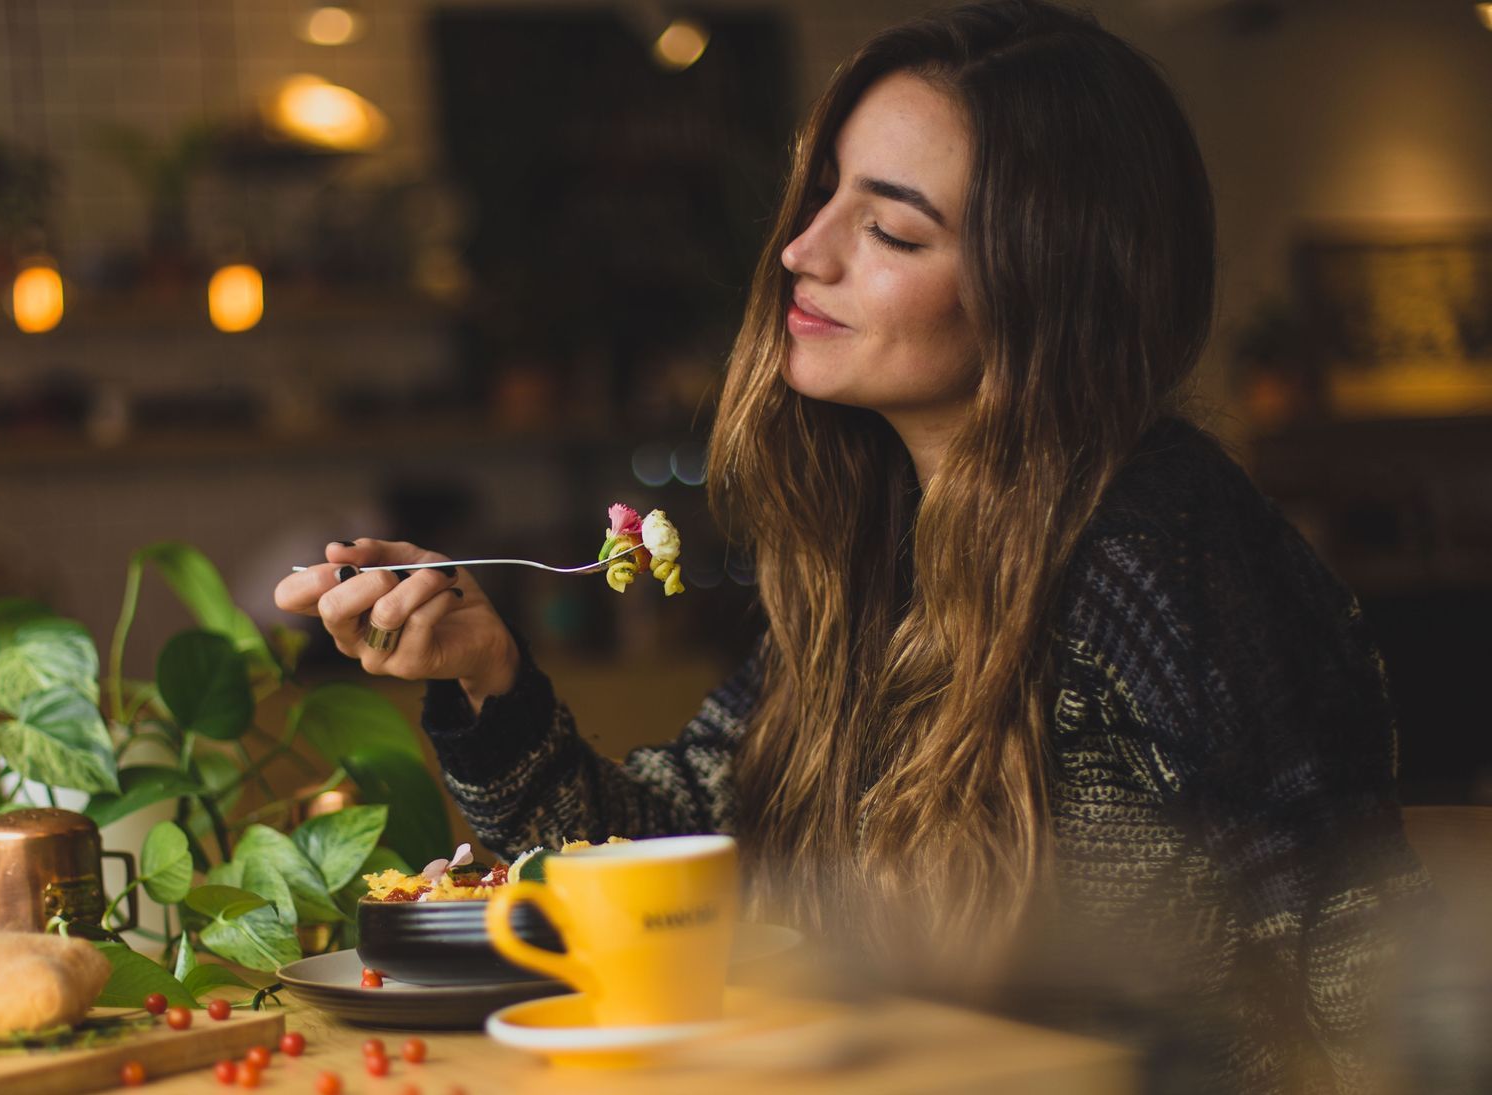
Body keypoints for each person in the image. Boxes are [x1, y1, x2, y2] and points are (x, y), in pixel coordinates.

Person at [274, 1, 1427, 1090]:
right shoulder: (880, 556)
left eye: (887, 228)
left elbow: (1347, 962)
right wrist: (489, 677)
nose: (800, 252)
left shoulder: (1155, 549)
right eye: (819, 196)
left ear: (1049, 288)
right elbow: (661, 868)